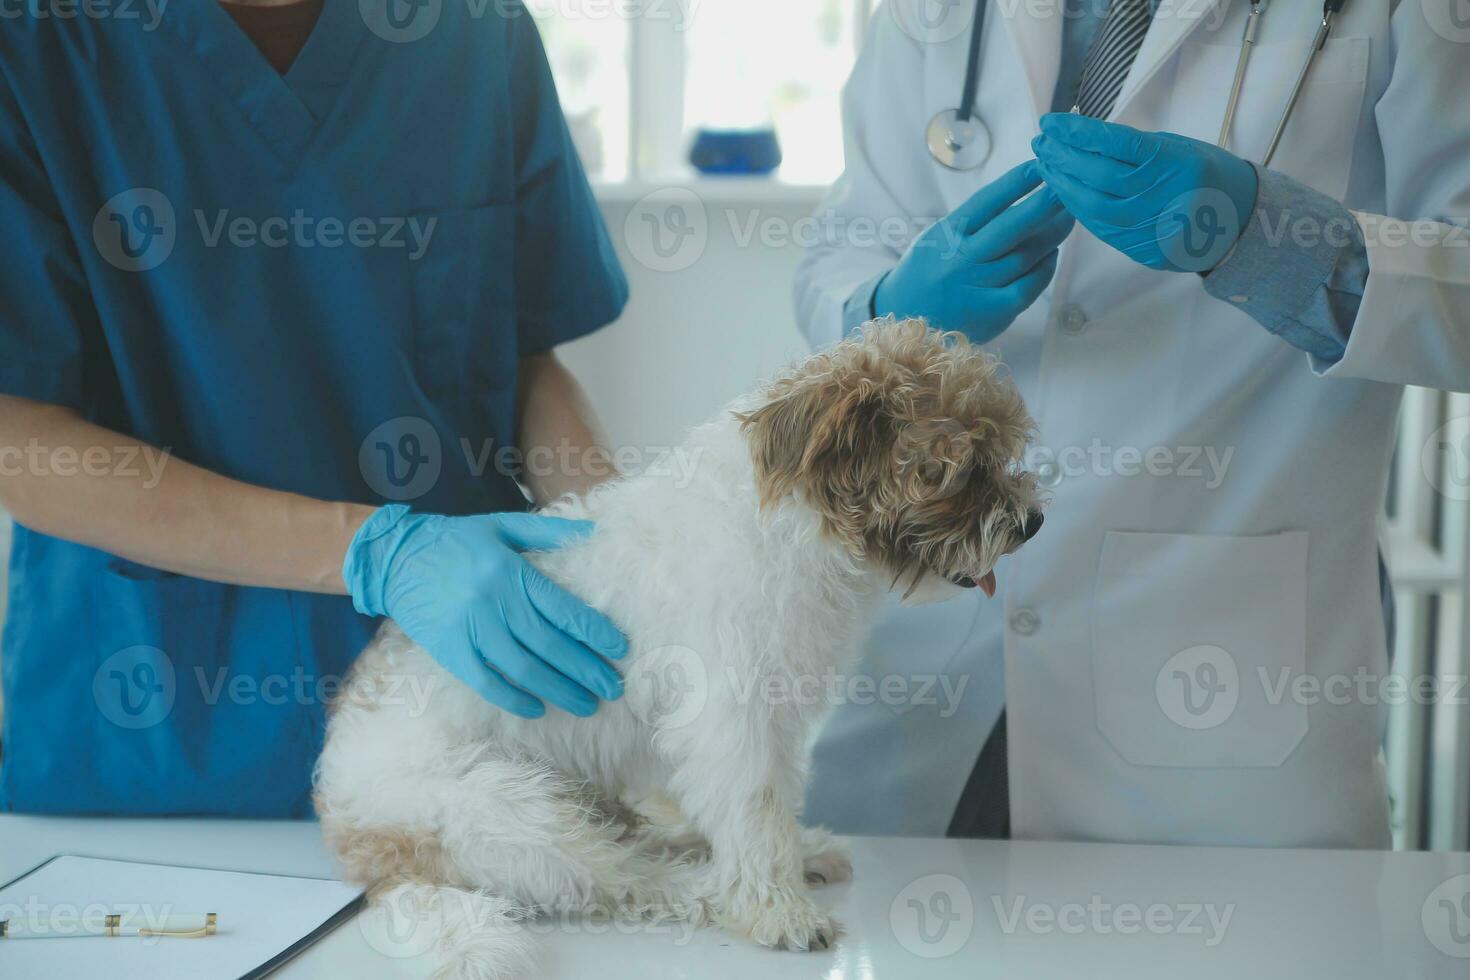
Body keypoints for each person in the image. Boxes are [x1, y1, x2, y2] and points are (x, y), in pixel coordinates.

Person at [795, 0, 1470, 847]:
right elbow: (841, 248)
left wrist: (1279, 242)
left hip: (1214, 681)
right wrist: (890, 305)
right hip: (928, 667)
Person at [0, 0, 631, 816]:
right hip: (160, 745)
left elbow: (525, 362)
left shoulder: (475, 30)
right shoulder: (37, 42)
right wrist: (380, 554)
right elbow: (19, 441)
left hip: (469, 734)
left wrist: (620, 543)